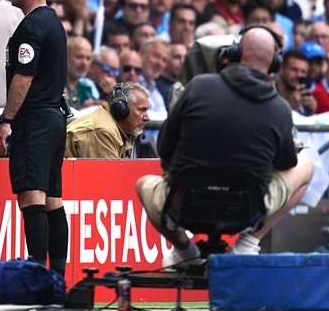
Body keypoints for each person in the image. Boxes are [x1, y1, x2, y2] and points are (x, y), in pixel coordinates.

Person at [135, 27, 315, 269]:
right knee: (306, 165)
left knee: (143, 184)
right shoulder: (279, 108)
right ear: (274, 64)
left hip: (184, 205)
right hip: (248, 210)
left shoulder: (197, 87)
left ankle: (186, 252)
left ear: (235, 53)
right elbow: (286, 163)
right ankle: (246, 245)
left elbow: (165, 149)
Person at [0, 0, 68, 274]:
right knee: (53, 199)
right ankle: (58, 277)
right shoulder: (54, 23)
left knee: (31, 198)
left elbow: (24, 76)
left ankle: (38, 275)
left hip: (35, 119)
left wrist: (7, 120)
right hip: (54, 118)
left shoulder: (33, 26)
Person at [65, 82, 151, 159]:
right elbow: (108, 175)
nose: (147, 118)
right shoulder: (103, 131)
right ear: (121, 109)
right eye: (142, 110)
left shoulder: (119, 130)